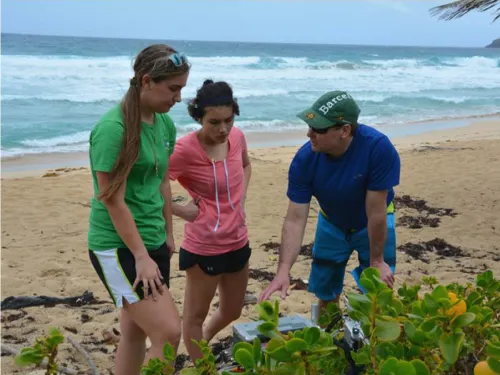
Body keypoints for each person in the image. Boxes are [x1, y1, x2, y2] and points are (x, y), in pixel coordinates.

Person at [87, 44, 190, 375]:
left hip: (153, 241)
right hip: (118, 248)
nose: (178, 98)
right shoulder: (112, 129)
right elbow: (112, 199)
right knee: (169, 333)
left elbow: (161, 183)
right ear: (147, 81)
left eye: (182, 89)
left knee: (135, 333)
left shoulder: (164, 125)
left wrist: (169, 234)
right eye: (172, 89)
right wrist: (142, 256)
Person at [259, 90, 401, 315]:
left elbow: (376, 211)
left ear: (345, 130)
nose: (309, 134)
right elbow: (295, 219)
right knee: (325, 292)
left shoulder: (378, 148)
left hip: (373, 221)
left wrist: (377, 260)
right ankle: (328, 338)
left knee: (376, 293)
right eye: (309, 126)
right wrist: (283, 270)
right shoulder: (304, 160)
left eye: (318, 129)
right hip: (331, 222)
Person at [168, 79, 252, 361]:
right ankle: (202, 365)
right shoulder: (184, 149)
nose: (223, 129)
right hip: (203, 245)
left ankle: (201, 344)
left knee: (232, 310)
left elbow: (246, 164)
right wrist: (181, 210)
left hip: (238, 239)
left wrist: (239, 201)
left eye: (229, 120)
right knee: (193, 317)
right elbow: (150, 186)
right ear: (199, 117)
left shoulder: (237, 137)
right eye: (214, 122)